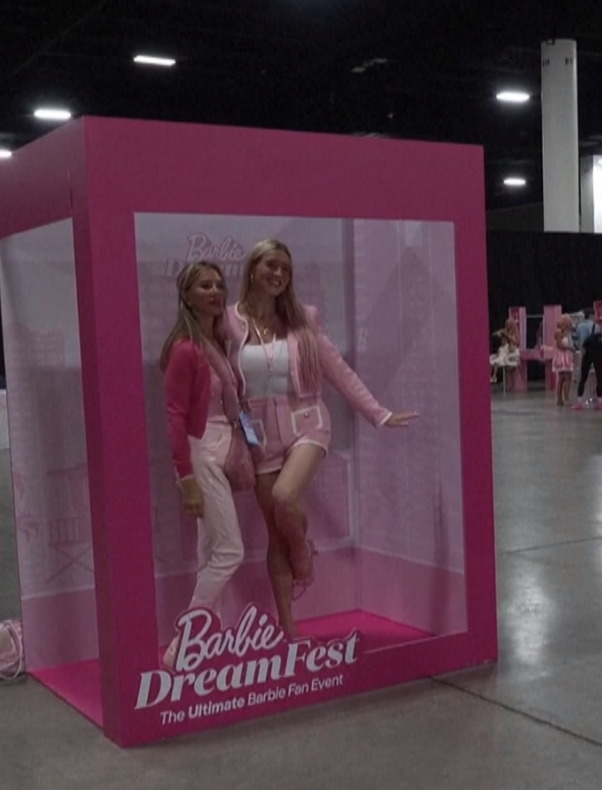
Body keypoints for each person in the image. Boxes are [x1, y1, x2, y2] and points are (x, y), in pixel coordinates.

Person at [226, 239, 416, 638]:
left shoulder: (303, 320)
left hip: (307, 424)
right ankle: (288, 626)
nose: (278, 274)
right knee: (274, 533)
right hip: (257, 434)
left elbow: (338, 370)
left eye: (285, 269)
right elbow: (219, 377)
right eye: (271, 265)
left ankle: (303, 553)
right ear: (253, 269)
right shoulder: (229, 322)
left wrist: (378, 413)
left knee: (284, 497)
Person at [161, 262, 246, 666]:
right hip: (202, 452)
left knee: (210, 551)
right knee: (230, 550)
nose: (214, 292)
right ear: (186, 296)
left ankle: (206, 642)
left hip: (221, 446)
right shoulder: (185, 350)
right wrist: (186, 478)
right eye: (204, 286)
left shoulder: (218, 345)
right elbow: (174, 417)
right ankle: (184, 639)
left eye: (218, 285)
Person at [573, 308, 602, 409]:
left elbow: (575, 341)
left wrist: (582, 349)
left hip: (586, 354)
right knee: (599, 377)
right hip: (596, 354)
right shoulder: (595, 326)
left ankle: (579, 402)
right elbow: (599, 340)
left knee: (583, 378)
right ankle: (599, 402)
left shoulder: (579, 326)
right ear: (591, 315)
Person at [551, 315, 575, 407]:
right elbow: (559, 345)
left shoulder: (565, 332)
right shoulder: (559, 332)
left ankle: (561, 399)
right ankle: (565, 398)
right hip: (561, 356)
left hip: (565, 355)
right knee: (566, 378)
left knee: (563, 378)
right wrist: (569, 348)